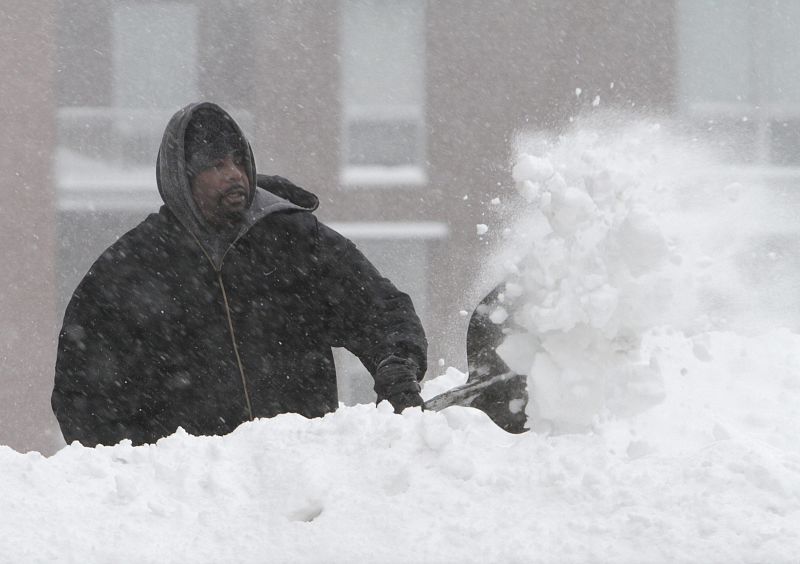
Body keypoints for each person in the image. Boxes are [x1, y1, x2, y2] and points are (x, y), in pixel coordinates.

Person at [52, 101, 427, 447]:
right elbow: (82, 394)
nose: (234, 175)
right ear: (183, 178)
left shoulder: (295, 240)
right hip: (193, 499)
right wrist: (148, 469)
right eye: (216, 166)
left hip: (305, 482)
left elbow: (380, 308)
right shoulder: (130, 269)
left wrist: (397, 362)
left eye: (238, 161)